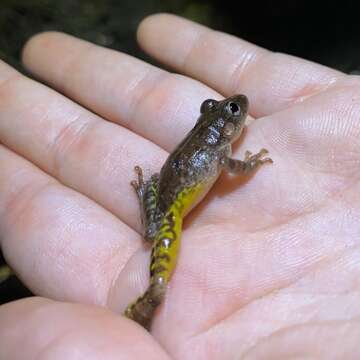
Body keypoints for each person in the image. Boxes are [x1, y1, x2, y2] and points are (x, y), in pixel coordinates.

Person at [0, 13, 359, 359]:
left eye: (231, 110)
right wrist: (251, 163)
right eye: (230, 111)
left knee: (153, 228)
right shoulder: (221, 149)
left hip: (170, 198)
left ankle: (149, 262)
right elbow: (234, 167)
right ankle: (153, 289)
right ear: (221, 128)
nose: (236, 110)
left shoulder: (215, 144)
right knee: (158, 240)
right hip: (172, 204)